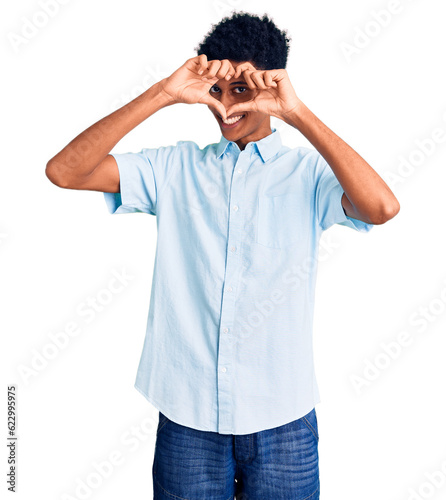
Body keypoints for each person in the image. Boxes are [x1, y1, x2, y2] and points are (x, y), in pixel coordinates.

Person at [46, 11, 400, 500]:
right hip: (187, 420)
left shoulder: (307, 176)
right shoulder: (173, 168)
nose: (227, 106)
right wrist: (164, 94)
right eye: (219, 91)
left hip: (284, 421)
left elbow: (381, 207)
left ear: (273, 89)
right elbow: (65, 171)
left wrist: (297, 113)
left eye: (242, 90)